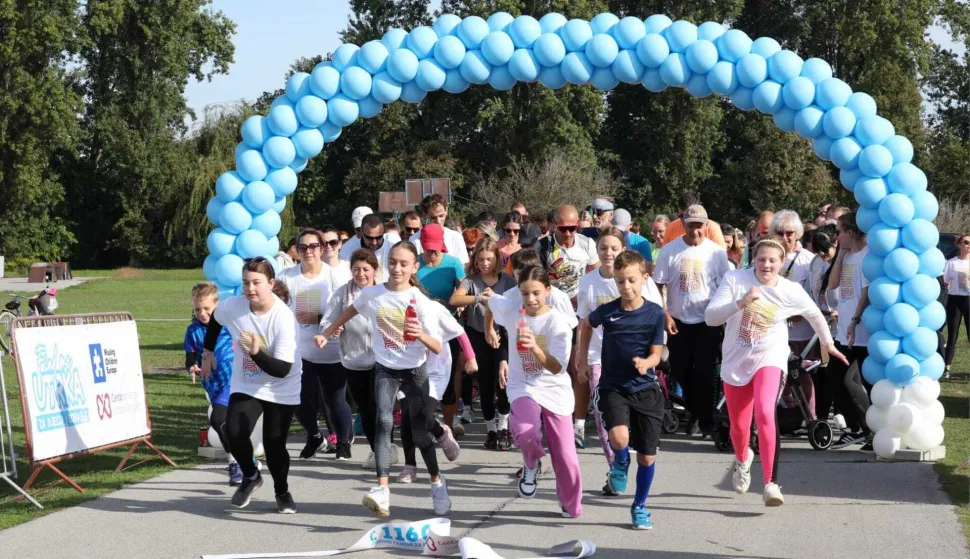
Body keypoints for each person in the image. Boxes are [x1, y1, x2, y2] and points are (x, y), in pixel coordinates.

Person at [706, 236, 848, 507]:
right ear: (753, 260)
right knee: (738, 426)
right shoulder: (735, 280)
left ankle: (771, 484)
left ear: (782, 263)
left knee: (764, 412)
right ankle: (742, 459)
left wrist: (828, 344)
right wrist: (741, 302)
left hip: (770, 357)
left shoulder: (789, 289)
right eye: (761, 259)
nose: (766, 265)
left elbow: (815, 314)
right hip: (736, 362)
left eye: (772, 260)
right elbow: (711, 318)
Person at [317, 242, 449, 517]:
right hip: (385, 369)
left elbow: (436, 346)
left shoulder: (421, 302)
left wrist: (420, 335)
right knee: (383, 421)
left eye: (404, 264)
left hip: (414, 371)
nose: (397, 268)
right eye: (393, 262)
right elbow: (352, 310)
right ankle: (382, 489)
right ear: (386, 264)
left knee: (420, 430)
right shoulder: (374, 293)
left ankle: (437, 482)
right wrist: (328, 331)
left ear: (414, 267)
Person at [201, 258, 301, 513]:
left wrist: (256, 353)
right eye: (246, 283)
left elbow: (282, 369)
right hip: (247, 383)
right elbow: (215, 320)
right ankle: (250, 475)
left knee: (274, 444)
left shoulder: (283, 318)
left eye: (256, 283)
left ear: (271, 283)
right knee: (234, 430)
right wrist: (207, 352)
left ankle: (282, 492)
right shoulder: (234, 306)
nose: (250, 289)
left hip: (281, 385)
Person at [488, 266, 581, 519]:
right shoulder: (511, 309)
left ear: (548, 292)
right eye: (525, 293)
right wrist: (489, 329)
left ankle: (570, 503)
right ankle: (530, 465)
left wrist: (535, 348)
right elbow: (487, 298)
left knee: (565, 455)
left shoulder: (558, 323)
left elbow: (557, 367)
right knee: (527, 433)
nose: (530, 299)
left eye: (536, 293)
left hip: (553, 387)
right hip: (523, 385)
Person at [582, 250, 665, 529]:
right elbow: (586, 324)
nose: (626, 287)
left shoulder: (654, 313)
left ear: (644, 278)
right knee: (619, 440)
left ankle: (640, 505)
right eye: (620, 282)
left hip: (646, 389)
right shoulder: (609, 311)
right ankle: (619, 460)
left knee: (647, 456)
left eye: (631, 280)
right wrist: (581, 358)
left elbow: (657, 353)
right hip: (613, 387)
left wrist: (647, 363)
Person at [653, 205, 731, 437]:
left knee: (705, 373)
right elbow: (657, 284)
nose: (695, 231)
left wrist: (720, 313)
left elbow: (726, 285)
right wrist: (665, 314)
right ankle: (698, 411)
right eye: (691, 226)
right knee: (680, 369)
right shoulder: (670, 251)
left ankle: (706, 421)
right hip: (678, 321)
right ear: (683, 225)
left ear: (706, 226)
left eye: (699, 226)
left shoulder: (716, 252)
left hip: (707, 321)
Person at [320, 249, 400, 469]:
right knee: (365, 409)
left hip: (382, 359)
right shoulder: (342, 294)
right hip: (353, 360)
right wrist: (330, 330)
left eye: (366, 269)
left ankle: (386, 448)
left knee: (380, 407)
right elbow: (327, 321)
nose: (361, 274)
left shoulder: (385, 291)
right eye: (356, 269)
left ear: (375, 270)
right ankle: (378, 450)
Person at [278, 229, 353, 461]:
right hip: (299, 350)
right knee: (298, 398)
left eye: (313, 246)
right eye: (303, 247)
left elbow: (348, 311)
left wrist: (318, 318)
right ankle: (314, 436)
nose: (308, 251)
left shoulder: (334, 276)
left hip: (331, 349)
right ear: (296, 250)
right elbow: (275, 308)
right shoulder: (286, 277)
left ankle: (342, 443)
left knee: (335, 399)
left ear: (321, 248)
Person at [538, 204, 599, 448]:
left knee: (577, 367)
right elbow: (538, 280)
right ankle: (550, 421)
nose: (568, 233)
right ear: (554, 224)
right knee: (550, 368)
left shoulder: (587, 244)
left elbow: (595, 276)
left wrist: (581, 299)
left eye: (573, 228)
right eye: (563, 228)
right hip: (551, 315)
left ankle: (579, 426)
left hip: (578, 314)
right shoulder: (543, 246)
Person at [451, 238, 517, 450]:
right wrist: (478, 298)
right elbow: (455, 300)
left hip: (503, 335)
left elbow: (517, 303)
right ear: (475, 261)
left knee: (504, 383)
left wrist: (496, 299)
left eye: (489, 259)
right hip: (479, 334)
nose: (485, 263)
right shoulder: (471, 281)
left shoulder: (507, 280)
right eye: (480, 259)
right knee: (486, 384)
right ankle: (491, 429)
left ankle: (504, 427)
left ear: (497, 259)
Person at [398, 300, 468, 483]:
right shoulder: (390, 304)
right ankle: (410, 465)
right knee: (406, 414)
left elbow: (459, 332)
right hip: (407, 368)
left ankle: (440, 432)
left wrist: (471, 358)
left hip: (435, 370)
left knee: (422, 415)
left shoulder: (433, 307)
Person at [824, 212, 873, 450]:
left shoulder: (866, 256)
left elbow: (865, 292)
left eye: (839, 231)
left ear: (851, 232)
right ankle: (858, 429)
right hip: (843, 330)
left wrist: (855, 319)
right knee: (835, 379)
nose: (836, 236)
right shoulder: (848, 255)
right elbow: (833, 284)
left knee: (861, 382)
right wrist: (842, 253)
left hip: (860, 331)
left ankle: (869, 430)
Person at [185, 283, 240, 485]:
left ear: (217, 304)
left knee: (218, 419)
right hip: (211, 383)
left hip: (232, 379)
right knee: (220, 423)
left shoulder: (228, 325)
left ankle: (236, 462)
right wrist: (191, 366)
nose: (202, 313)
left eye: (206, 308)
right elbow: (189, 356)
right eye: (198, 309)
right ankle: (242, 459)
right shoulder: (193, 331)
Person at [415, 224, 467, 435]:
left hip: (446, 327)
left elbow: (464, 289)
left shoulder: (453, 264)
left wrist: (457, 303)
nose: (431, 254)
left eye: (435, 249)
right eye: (427, 249)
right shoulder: (414, 263)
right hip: (419, 329)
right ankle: (422, 423)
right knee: (420, 376)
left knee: (449, 374)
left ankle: (448, 425)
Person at [770, 211, 818, 418]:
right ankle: (786, 415)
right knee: (780, 374)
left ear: (797, 233)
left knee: (801, 373)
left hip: (802, 329)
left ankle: (811, 416)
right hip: (776, 328)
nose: (785, 237)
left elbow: (815, 293)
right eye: (780, 232)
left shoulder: (808, 260)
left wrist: (798, 312)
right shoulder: (769, 256)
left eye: (789, 232)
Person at [409, 194, 470, 264]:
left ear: (446, 210)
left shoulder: (456, 237)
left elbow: (463, 266)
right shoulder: (414, 240)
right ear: (425, 215)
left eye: (441, 216)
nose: (438, 221)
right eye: (433, 218)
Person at [943, 234, 970, 379]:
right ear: (959, 244)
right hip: (955, 300)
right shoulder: (951, 263)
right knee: (952, 335)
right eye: (966, 242)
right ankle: (947, 368)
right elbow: (946, 283)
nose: (968, 245)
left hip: (969, 300)